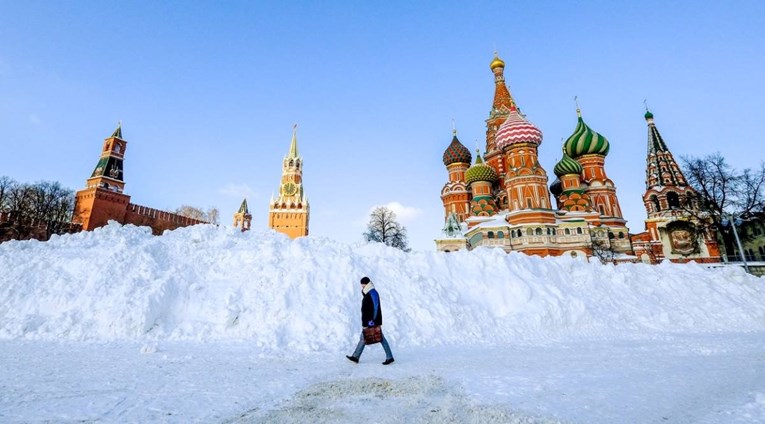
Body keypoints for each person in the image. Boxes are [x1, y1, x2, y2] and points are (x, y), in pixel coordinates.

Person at [346, 276, 395, 365]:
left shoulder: (373, 292)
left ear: (367, 284)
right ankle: (356, 356)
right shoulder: (368, 292)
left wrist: (372, 320)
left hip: (371, 321)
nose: (362, 287)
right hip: (368, 320)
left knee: (380, 338)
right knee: (365, 338)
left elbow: (375, 307)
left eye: (363, 285)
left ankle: (389, 357)